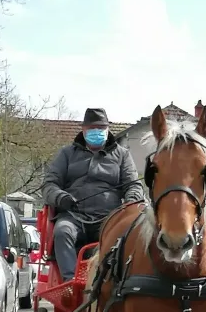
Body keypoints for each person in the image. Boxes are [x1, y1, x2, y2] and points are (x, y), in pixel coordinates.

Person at [43, 107, 144, 281]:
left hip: (109, 219)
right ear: (83, 130)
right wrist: (61, 197)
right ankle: (71, 282)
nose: (96, 132)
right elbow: (49, 185)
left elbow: (134, 186)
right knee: (62, 232)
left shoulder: (122, 155)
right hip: (73, 216)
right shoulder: (66, 154)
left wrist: (130, 204)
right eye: (92, 129)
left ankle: (109, 281)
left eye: (101, 129)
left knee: (125, 235)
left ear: (108, 130)